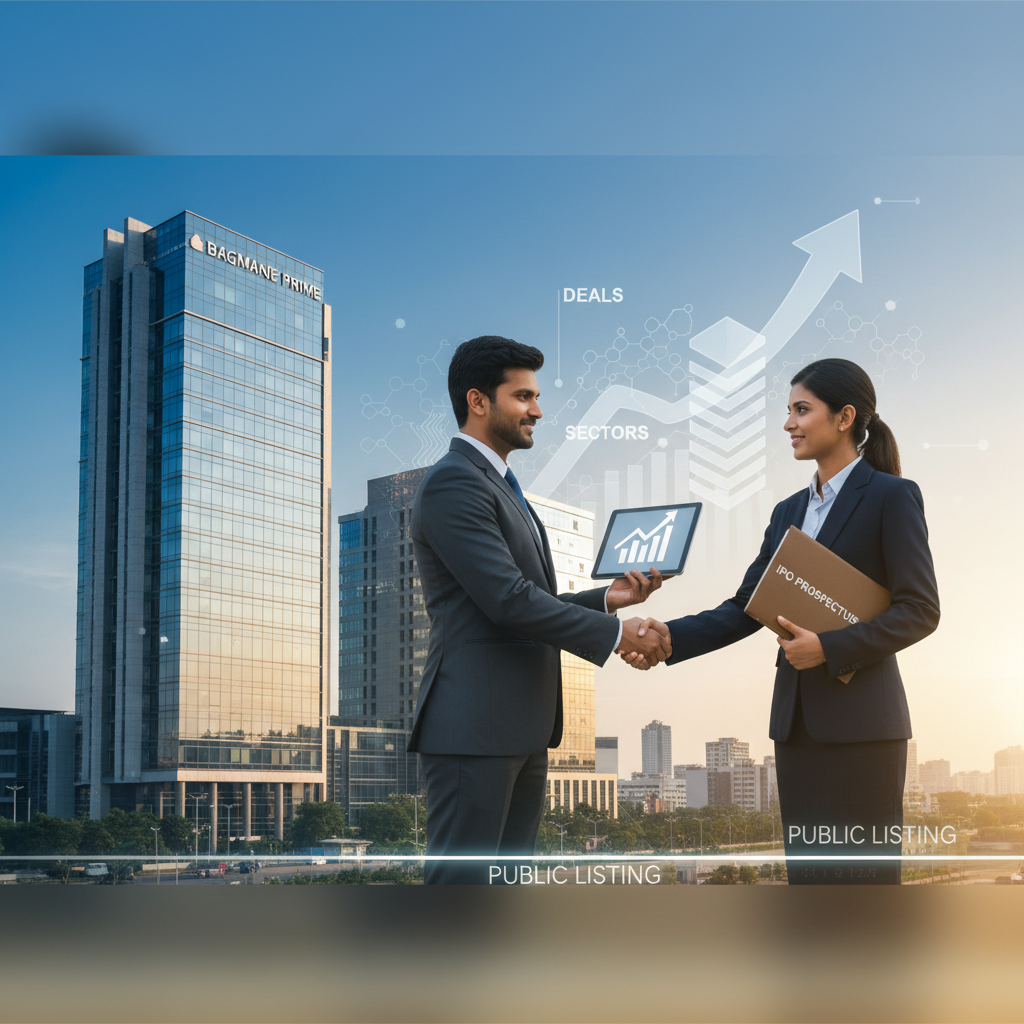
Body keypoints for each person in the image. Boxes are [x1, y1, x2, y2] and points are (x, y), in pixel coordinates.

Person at [623, 358, 940, 884]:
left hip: (864, 728)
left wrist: (829, 648)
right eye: (789, 411)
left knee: (864, 890)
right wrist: (668, 637)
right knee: (809, 886)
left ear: (844, 417)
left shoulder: (891, 496)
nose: (789, 423)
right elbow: (746, 606)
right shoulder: (788, 511)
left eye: (801, 410)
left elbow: (920, 610)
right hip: (796, 726)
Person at [409, 335, 673, 884]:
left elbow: (527, 596)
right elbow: (507, 600)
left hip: (518, 729)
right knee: (459, 902)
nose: (537, 410)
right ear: (478, 401)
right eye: (523, 396)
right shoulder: (454, 481)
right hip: (474, 731)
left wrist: (608, 598)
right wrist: (616, 634)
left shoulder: (502, 486)